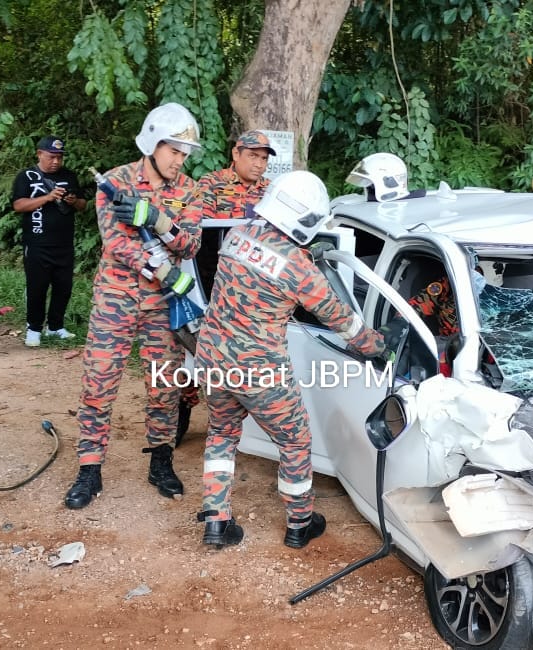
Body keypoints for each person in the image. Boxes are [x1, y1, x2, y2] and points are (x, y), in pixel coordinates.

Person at [195, 170, 386, 550]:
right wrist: (377, 346)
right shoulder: (299, 269)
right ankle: (300, 523)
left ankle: (216, 520)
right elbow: (341, 320)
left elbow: (260, 268)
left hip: (212, 358)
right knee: (295, 440)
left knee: (221, 434)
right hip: (260, 371)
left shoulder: (237, 235)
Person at [64, 102, 203, 510]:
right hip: (116, 298)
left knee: (165, 386)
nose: (180, 160)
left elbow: (191, 244)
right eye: (174, 151)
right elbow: (116, 243)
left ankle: (161, 461)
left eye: (185, 154)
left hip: (163, 305)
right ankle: (89, 468)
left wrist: (160, 220)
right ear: (152, 143)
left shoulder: (190, 190)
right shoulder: (114, 182)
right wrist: (160, 268)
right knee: (99, 384)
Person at [11, 135, 87, 347]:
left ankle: (55, 326)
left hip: (64, 243)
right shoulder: (26, 176)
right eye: (51, 157)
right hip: (37, 243)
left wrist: (73, 201)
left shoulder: (69, 176)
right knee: (37, 287)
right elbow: (18, 205)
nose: (56, 161)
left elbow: (83, 205)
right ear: (39, 154)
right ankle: (34, 328)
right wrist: (47, 197)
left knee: (63, 286)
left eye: (59, 157)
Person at [187, 130, 275, 294]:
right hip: (217, 272)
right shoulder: (211, 183)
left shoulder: (272, 191)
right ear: (236, 154)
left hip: (259, 274)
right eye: (253, 156)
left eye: (264, 158)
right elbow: (203, 231)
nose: (259, 164)